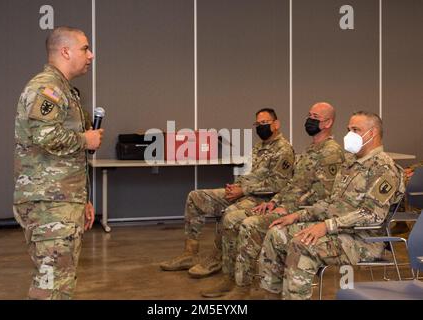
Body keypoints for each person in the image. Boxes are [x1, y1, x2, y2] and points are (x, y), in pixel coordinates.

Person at [201, 102, 344, 298]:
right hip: (285, 206)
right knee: (231, 218)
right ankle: (231, 279)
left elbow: (321, 195)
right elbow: (293, 185)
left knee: (249, 224)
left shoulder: (331, 152)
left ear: (328, 123)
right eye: (309, 115)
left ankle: (242, 287)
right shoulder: (312, 149)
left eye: (315, 117)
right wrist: (275, 202)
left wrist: (287, 209)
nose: (309, 120)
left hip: (302, 213)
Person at [258, 111, 404, 300]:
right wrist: (299, 216)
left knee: (301, 244)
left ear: (373, 133)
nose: (349, 134)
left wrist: (326, 226)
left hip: (363, 239)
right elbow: (331, 203)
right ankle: (271, 295)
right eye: (348, 129)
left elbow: (372, 214)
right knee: (276, 233)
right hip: (338, 231)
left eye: (355, 130)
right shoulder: (350, 162)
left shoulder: (384, 168)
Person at [13, 26, 103, 299]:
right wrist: (85, 140)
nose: (91, 55)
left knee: (60, 282)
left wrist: (82, 199)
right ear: (65, 51)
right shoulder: (48, 87)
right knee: (51, 285)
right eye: (85, 48)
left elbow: (66, 157)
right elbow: (45, 135)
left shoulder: (64, 89)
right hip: (48, 206)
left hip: (62, 201)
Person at [160, 108, 295, 279]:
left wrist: (243, 190)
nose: (260, 127)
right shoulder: (259, 147)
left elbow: (278, 184)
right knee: (195, 197)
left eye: (265, 123)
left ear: (276, 124)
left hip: (262, 199)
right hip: (243, 192)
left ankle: (217, 259)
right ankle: (190, 254)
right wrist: (235, 187)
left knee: (230, 213)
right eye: (257, 124)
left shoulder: (284, 150)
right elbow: (248, 174)